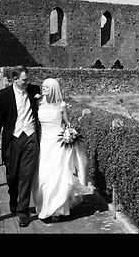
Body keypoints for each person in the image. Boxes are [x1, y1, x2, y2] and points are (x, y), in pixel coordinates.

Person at [31, 77, 90, 221]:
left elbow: (67, 123)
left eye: (46, 86)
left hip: (58, 144)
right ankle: (45, 206)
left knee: (58, 176)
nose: (43, 88)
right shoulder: (38, 102)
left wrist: (70, 134)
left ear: (53, 89)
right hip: (44, 144)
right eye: (42, 86)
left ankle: (56, 210)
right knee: (43, 177)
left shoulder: (61, 105)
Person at [0, 66, 41, 228]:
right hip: (12, 140)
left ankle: (23, 211)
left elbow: (50, 96)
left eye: (27, 79)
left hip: (31, 138)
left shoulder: (34, 90)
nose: (27, 82)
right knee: (12, 176)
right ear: (15, 79)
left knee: (26, 175)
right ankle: (13, 197)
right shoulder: (2, 96)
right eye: (24, 80)